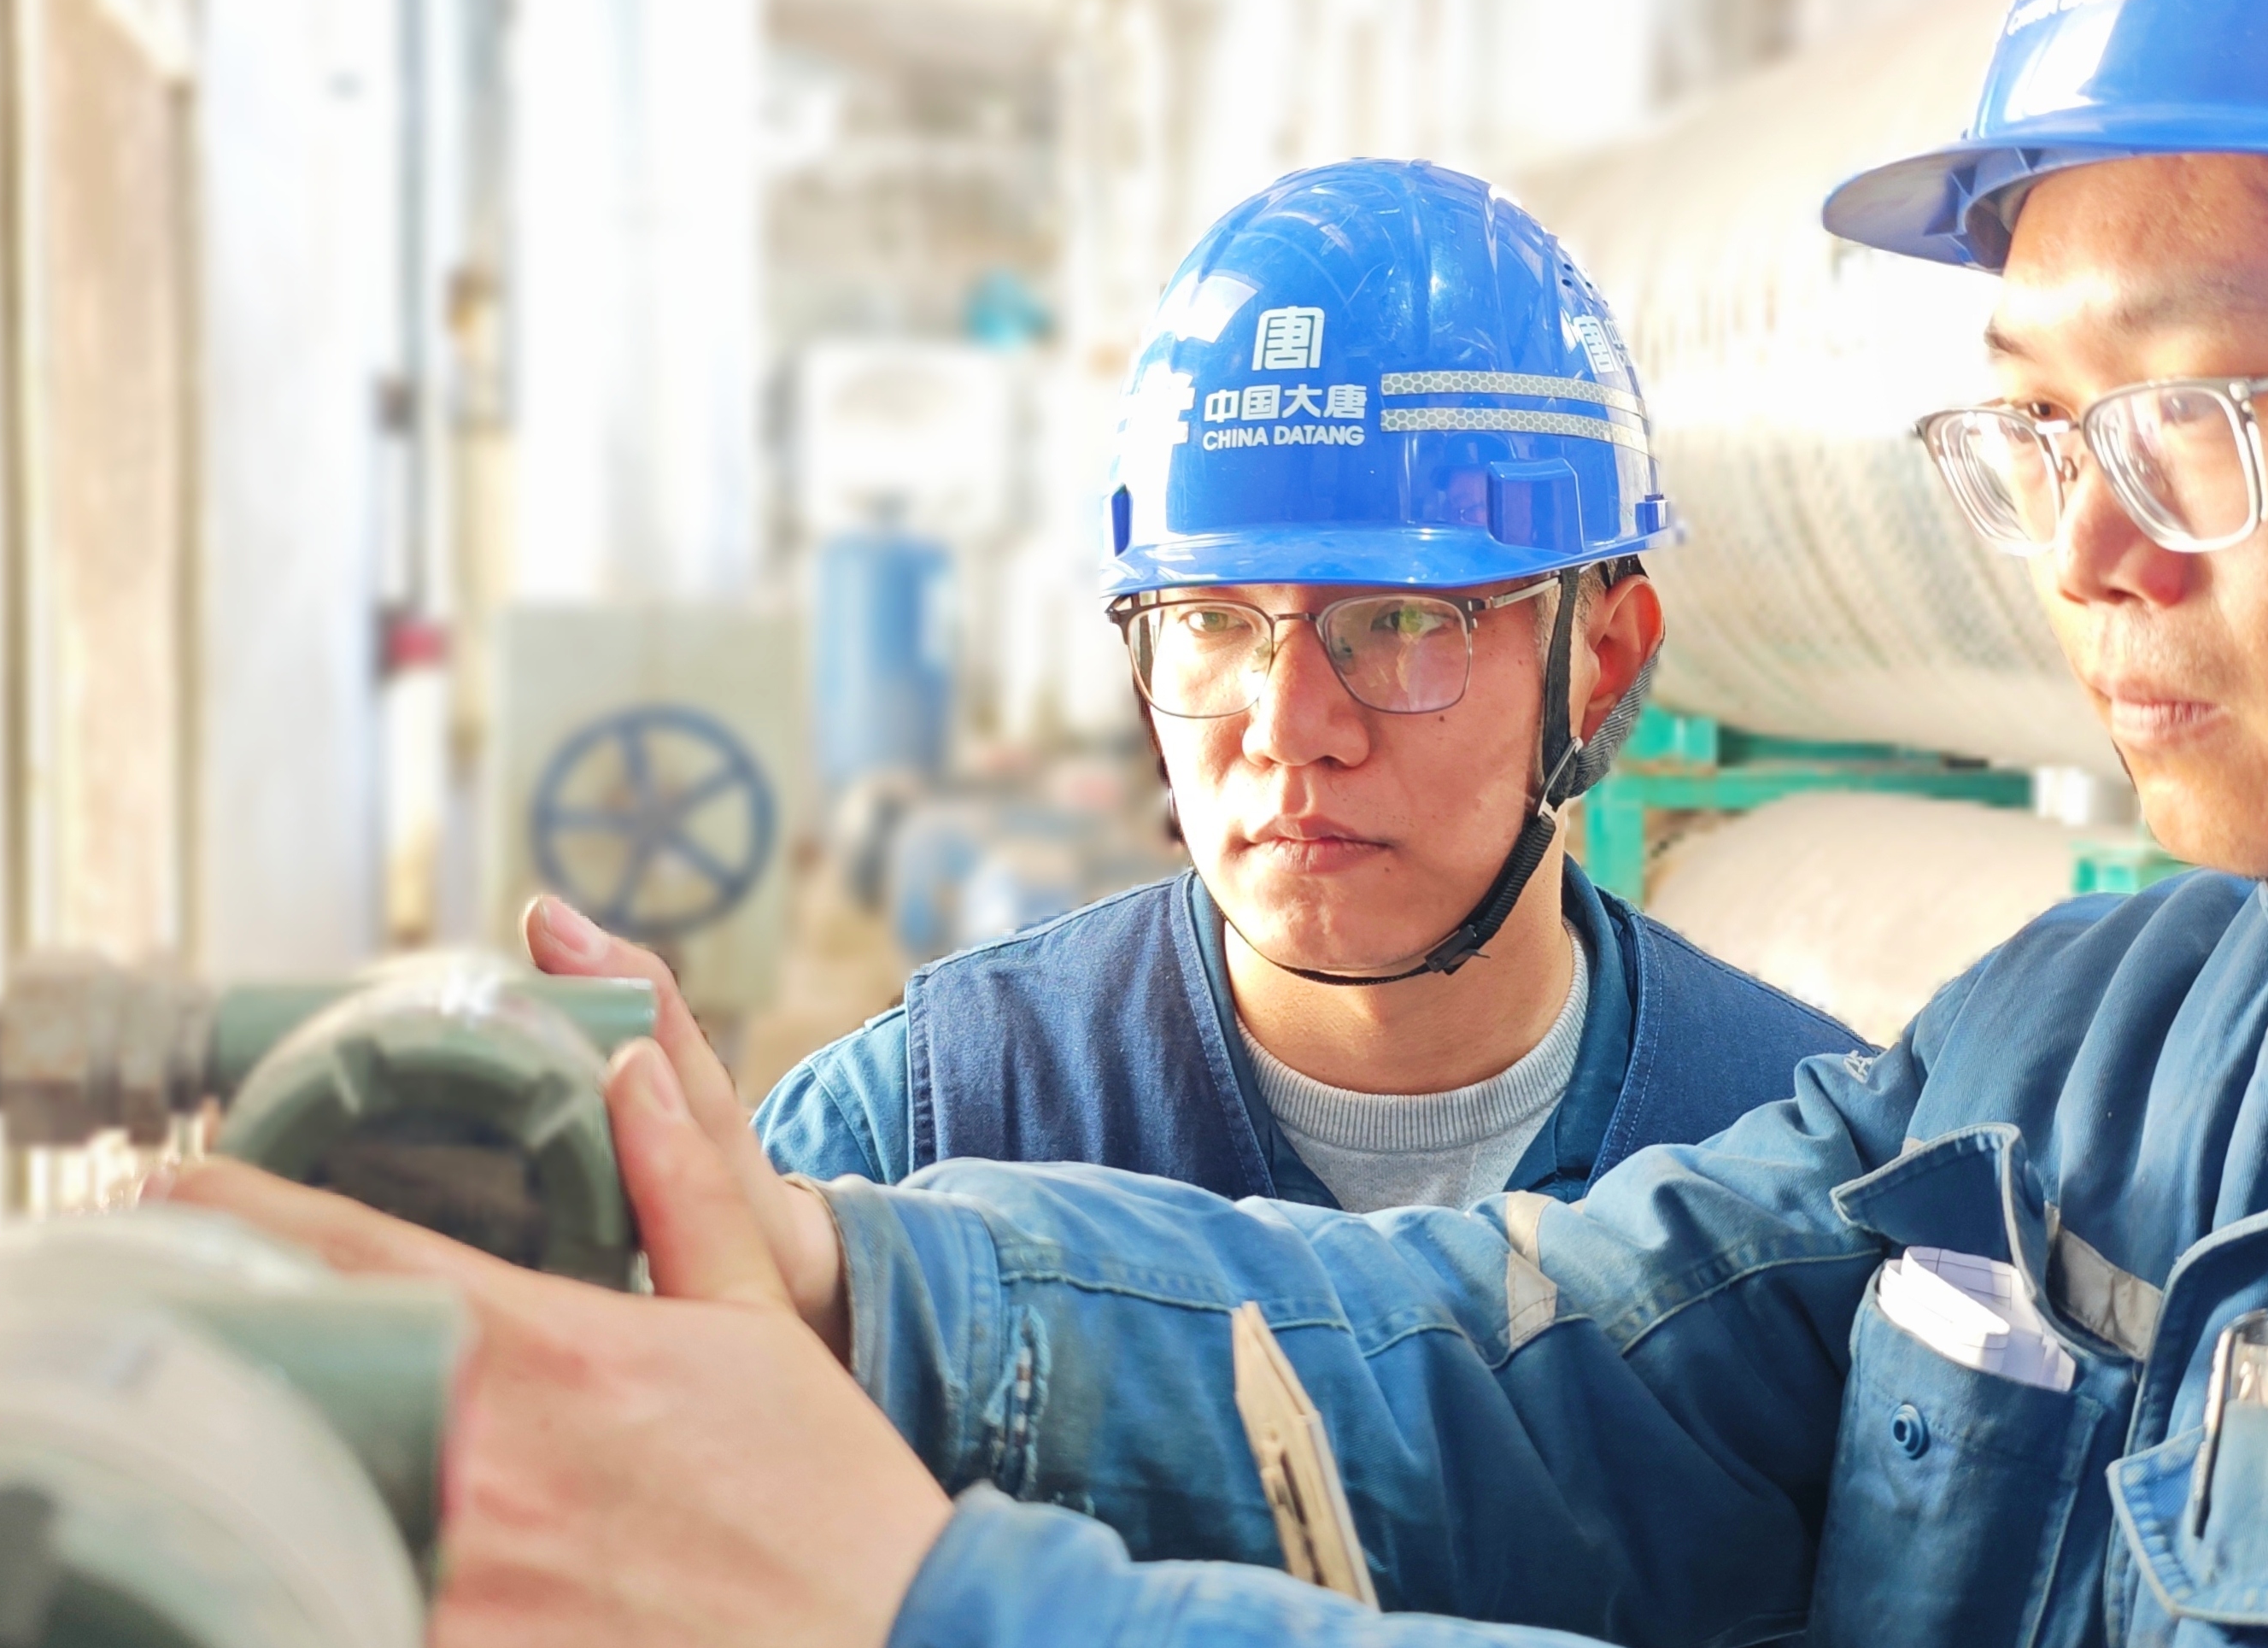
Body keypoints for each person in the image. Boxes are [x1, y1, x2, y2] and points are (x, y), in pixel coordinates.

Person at [173, 0, 2268, 1645]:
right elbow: (1546, 1361)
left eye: (2192, 412)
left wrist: (929, 1601)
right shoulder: (2120, 1031)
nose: (2078, 552)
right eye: (2031, 427)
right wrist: (844, 1282)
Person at [615, 158, 1855, 1220]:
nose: (1289, 728)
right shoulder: (914, 1145)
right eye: (1212, 619)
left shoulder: (1811, 1176)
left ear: (1601, 662)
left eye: (1401, 620)